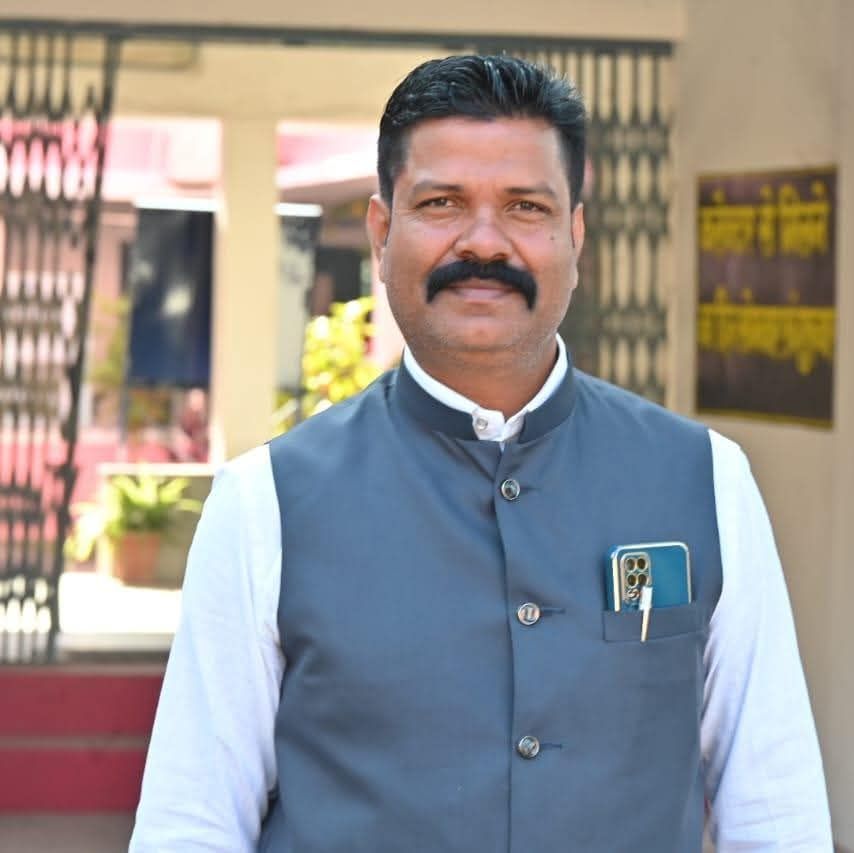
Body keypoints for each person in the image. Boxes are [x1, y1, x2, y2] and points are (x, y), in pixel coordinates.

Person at [129, 55, 833, 852]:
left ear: (575, 236)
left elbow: (777, 815)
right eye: (442, 203)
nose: (485, 241)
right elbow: (191, 826)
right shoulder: (265, 503)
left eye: (526, 207)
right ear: (382, 233)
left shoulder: (705, 481)